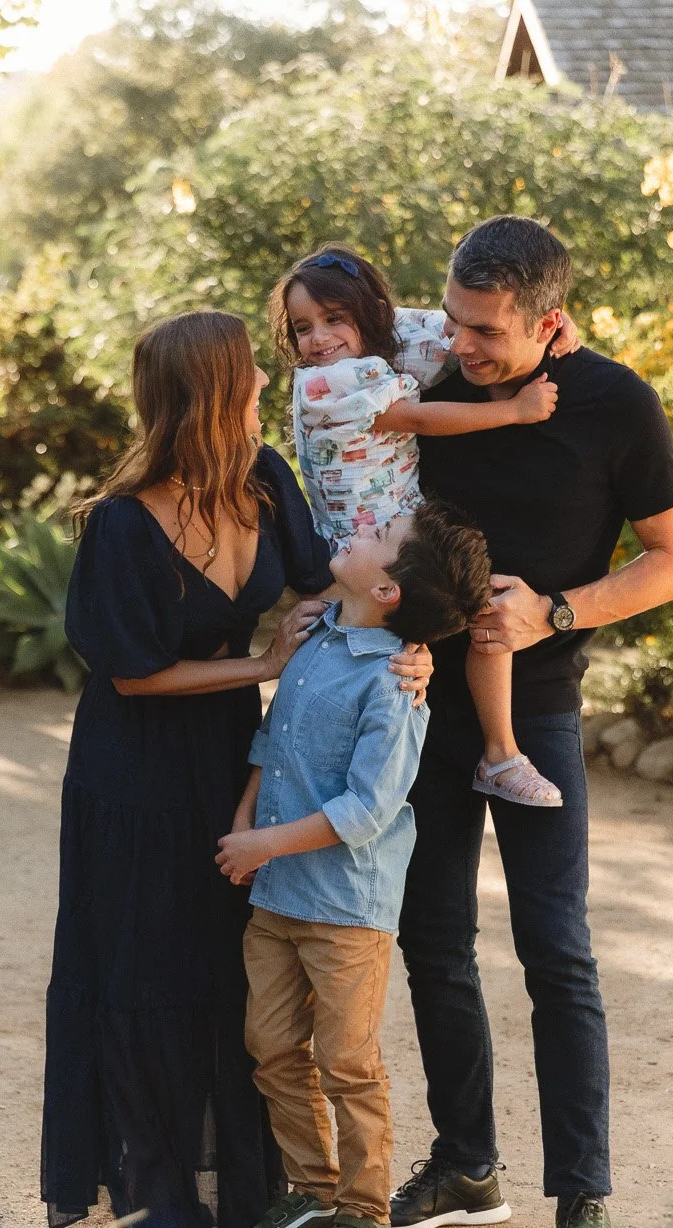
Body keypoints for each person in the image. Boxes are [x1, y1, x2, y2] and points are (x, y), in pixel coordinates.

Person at [41, 310, 433, 1228]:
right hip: (132, 766)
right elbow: (132, 674)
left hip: (229, 755)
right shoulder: (121, 525)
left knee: (233, 969)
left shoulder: (268, 483)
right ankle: (158, 1204)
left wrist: (408, 648)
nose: (267, 383)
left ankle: (261, 1191)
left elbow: (325, 586)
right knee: (144, 970)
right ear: (211, 395)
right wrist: (258, 663)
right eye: (249, 376)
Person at [386, 217, 673, 1228]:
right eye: (453, 322)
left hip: (543, 716)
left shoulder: (617, 406)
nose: (459, 348)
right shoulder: (430, 380)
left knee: (554, 952)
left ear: (547, 320)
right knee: (430, 939)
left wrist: (556, 612)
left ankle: (584, 1200)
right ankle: (466, 1164)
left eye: (482, 333)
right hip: (422, 707)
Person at [213, 502, 495, 1228]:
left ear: (390, 587)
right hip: (275, 895)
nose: (362, 526)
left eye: (380, 536)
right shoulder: (313, 639)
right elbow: (270, 745)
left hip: (344, 910)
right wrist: (245, 833)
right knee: (271, 1047)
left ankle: (366, 1213)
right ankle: (309, 1190)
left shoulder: (395, 683)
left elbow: (367, 810)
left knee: (346, 1060)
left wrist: (262, 842)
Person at [271, 245, 574, 808]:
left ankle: (500, 753)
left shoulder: (397, 334)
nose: (318, 338)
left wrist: (544, 326)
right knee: (381, 661)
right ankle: (335, 798)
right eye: (302, 327)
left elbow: (475, 326)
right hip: (366, 545)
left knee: (483, 600)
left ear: (369, 312)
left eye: (334, 319)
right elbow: (411, 417)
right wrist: (514, 411)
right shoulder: (322, 385)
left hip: (404, 529)